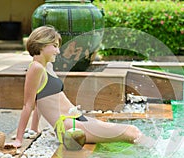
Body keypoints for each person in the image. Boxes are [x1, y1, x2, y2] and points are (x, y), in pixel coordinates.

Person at [9, 25, 152, 148]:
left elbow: (40, 98)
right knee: (132, 131)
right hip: (68, 127)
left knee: (129, 132)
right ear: (41, 44)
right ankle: (157, 153)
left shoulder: (48, 66)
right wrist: (18, 139)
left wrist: (35, 128)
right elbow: (28, 104)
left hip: (77, 118)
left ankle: (155, 151)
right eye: (55, 46)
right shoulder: (35, 68)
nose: (58, 52)